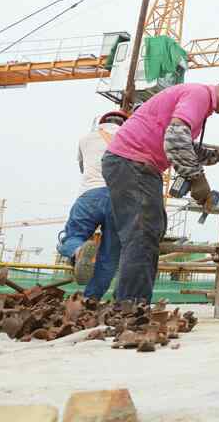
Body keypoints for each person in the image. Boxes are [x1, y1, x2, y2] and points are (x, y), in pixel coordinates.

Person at [102, 76, 219, 303]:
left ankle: (130, 302)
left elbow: (182, 141)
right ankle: (130, 306)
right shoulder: (199, 95)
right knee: (143, 233)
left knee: (149, 230)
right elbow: (175, 138)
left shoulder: (199, 100)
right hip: (133, 162)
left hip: (134, 164)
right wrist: (196, 178)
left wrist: (217, 156)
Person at [56, 110, 128, 300]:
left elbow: (82, 167)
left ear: (101, 123)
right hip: (119, 199)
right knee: (110, 255)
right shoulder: (129, 139)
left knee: (72, 237)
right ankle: (91, 299)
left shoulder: (86, 139)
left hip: (90, 194)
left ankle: (78, 250)